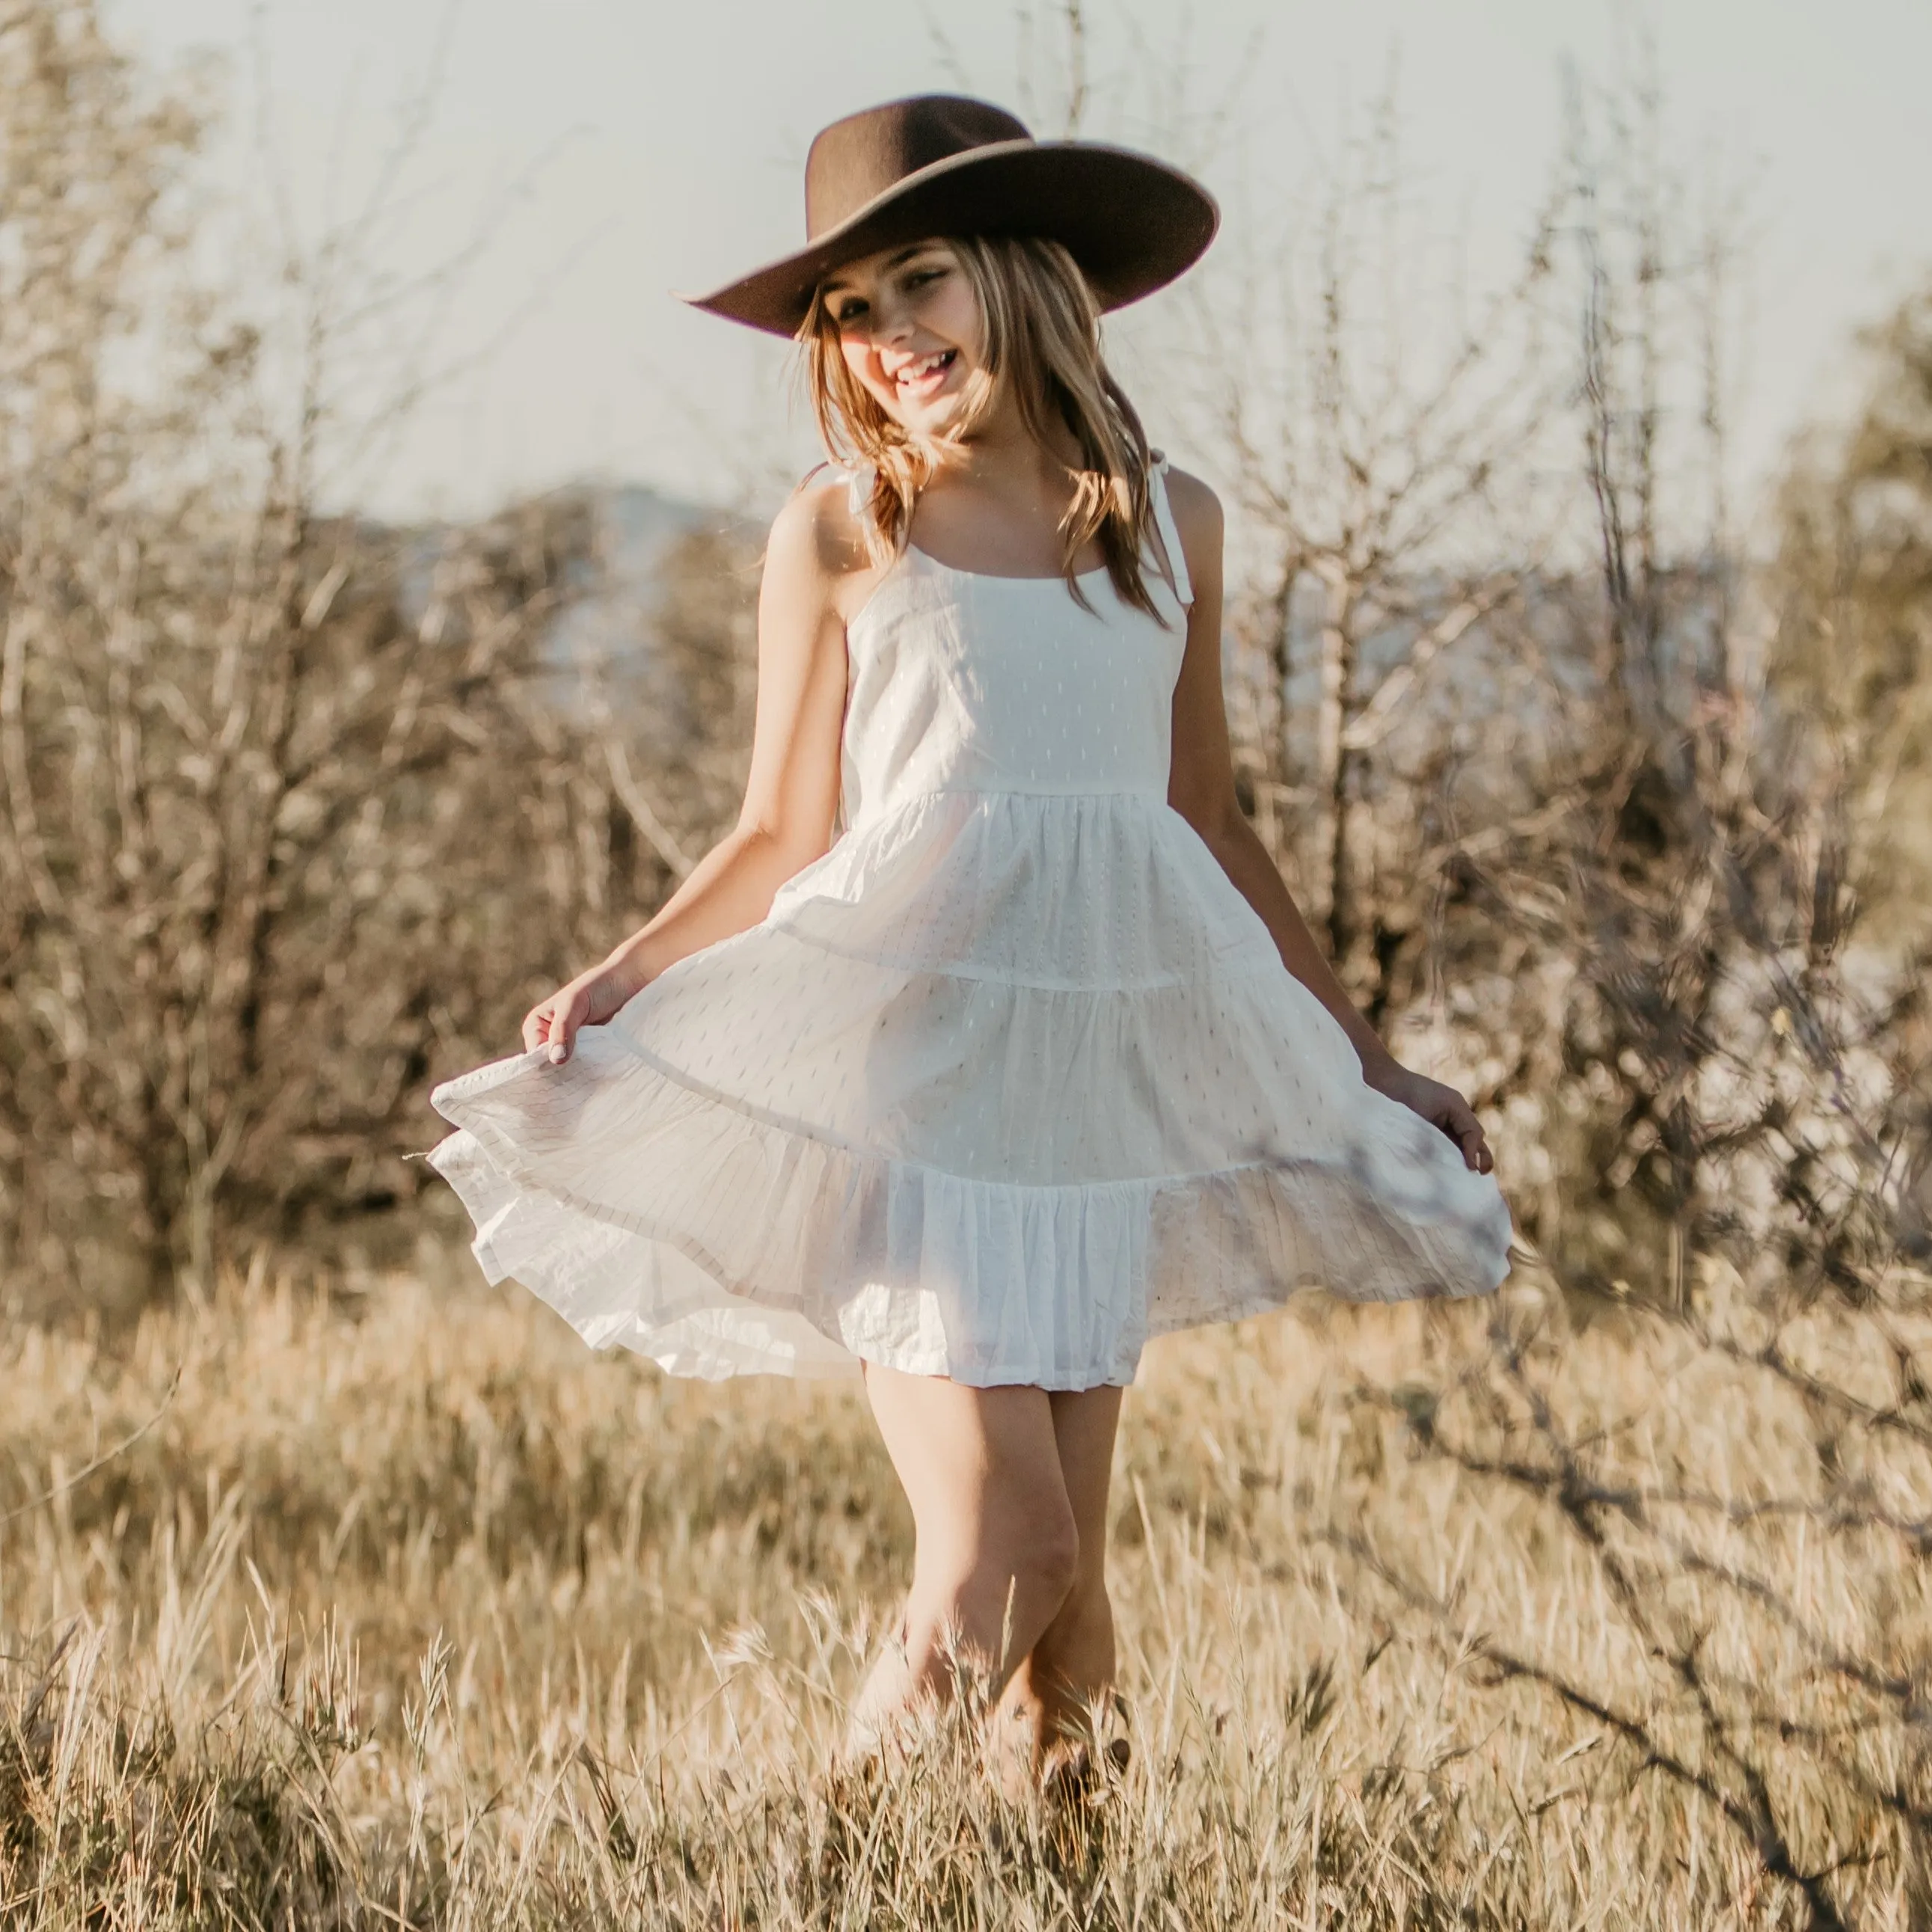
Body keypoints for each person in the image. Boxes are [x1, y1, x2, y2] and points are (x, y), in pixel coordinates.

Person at [429, 93, 1514, 1786]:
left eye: (915, 282)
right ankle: (811, 1873)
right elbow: (782, 827)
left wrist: (1368, 1063)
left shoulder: (1172, 529)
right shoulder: (849, 530)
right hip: (915, 1109)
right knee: (1008, 1554)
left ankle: (1057, 1887)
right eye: (850, 313)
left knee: (1071, 1660)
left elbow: (1207, 824)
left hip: (1083, 1117)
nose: (882, 340)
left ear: (1024, 274)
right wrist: (624, 976)